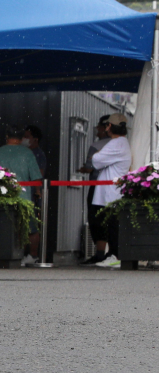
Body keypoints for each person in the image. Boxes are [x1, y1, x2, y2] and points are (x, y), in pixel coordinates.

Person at [0, 127, 43, 265]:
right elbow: (36, 176)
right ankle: (31, 256)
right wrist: (38, 191)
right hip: (23, 196)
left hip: (0, 196)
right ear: (21, 139)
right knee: (30, 227)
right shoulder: (27, 153)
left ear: (7, 136)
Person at [90, 113, 132, 268]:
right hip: (115, 189)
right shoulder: (122, 142)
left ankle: (115, 255)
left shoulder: (115, 143)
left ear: (110, 126)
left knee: (113, 224)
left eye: (107, 125)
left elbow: (96, 161)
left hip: (112, 190)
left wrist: (96, 155)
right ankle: (113, 253)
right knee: (113, 223)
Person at [79, 115, 113, 265]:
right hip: (114, 186)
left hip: (97, 185)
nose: (97, 130)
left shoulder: (97, 145)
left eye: (99, 126)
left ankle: (100, 253)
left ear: (106, 127)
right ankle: (113, 253)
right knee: (111, 218)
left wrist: (82, 169)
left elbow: (90, 167)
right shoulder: (123, 144)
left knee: (96, 218)